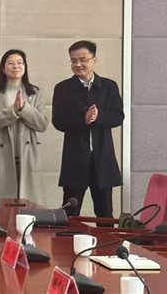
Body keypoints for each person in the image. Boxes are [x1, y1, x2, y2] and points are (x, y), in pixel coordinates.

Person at [52, 40, 124, 219]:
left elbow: (118, 116)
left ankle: (105, 239)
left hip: (102, 160)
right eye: (73, 60)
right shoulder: (62, 88)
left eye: (83, 59)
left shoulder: (109, 86)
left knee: (105, 214)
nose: (78, 64)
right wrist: (82, 120)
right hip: (74, 160)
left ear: (94, 60)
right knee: (70, 214)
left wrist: (99, 117)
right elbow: (58, 121)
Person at [0, 49, 49, 201]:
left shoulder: (35, 93)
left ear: (25, 67)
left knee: (28, 206)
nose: (16, 66)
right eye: (10, 63)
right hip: (0, 157)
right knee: (1, 206)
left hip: (28, 156)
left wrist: (24, 109)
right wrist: (11, 112)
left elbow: (42, 124)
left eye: (20, 63)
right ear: (3, 69)